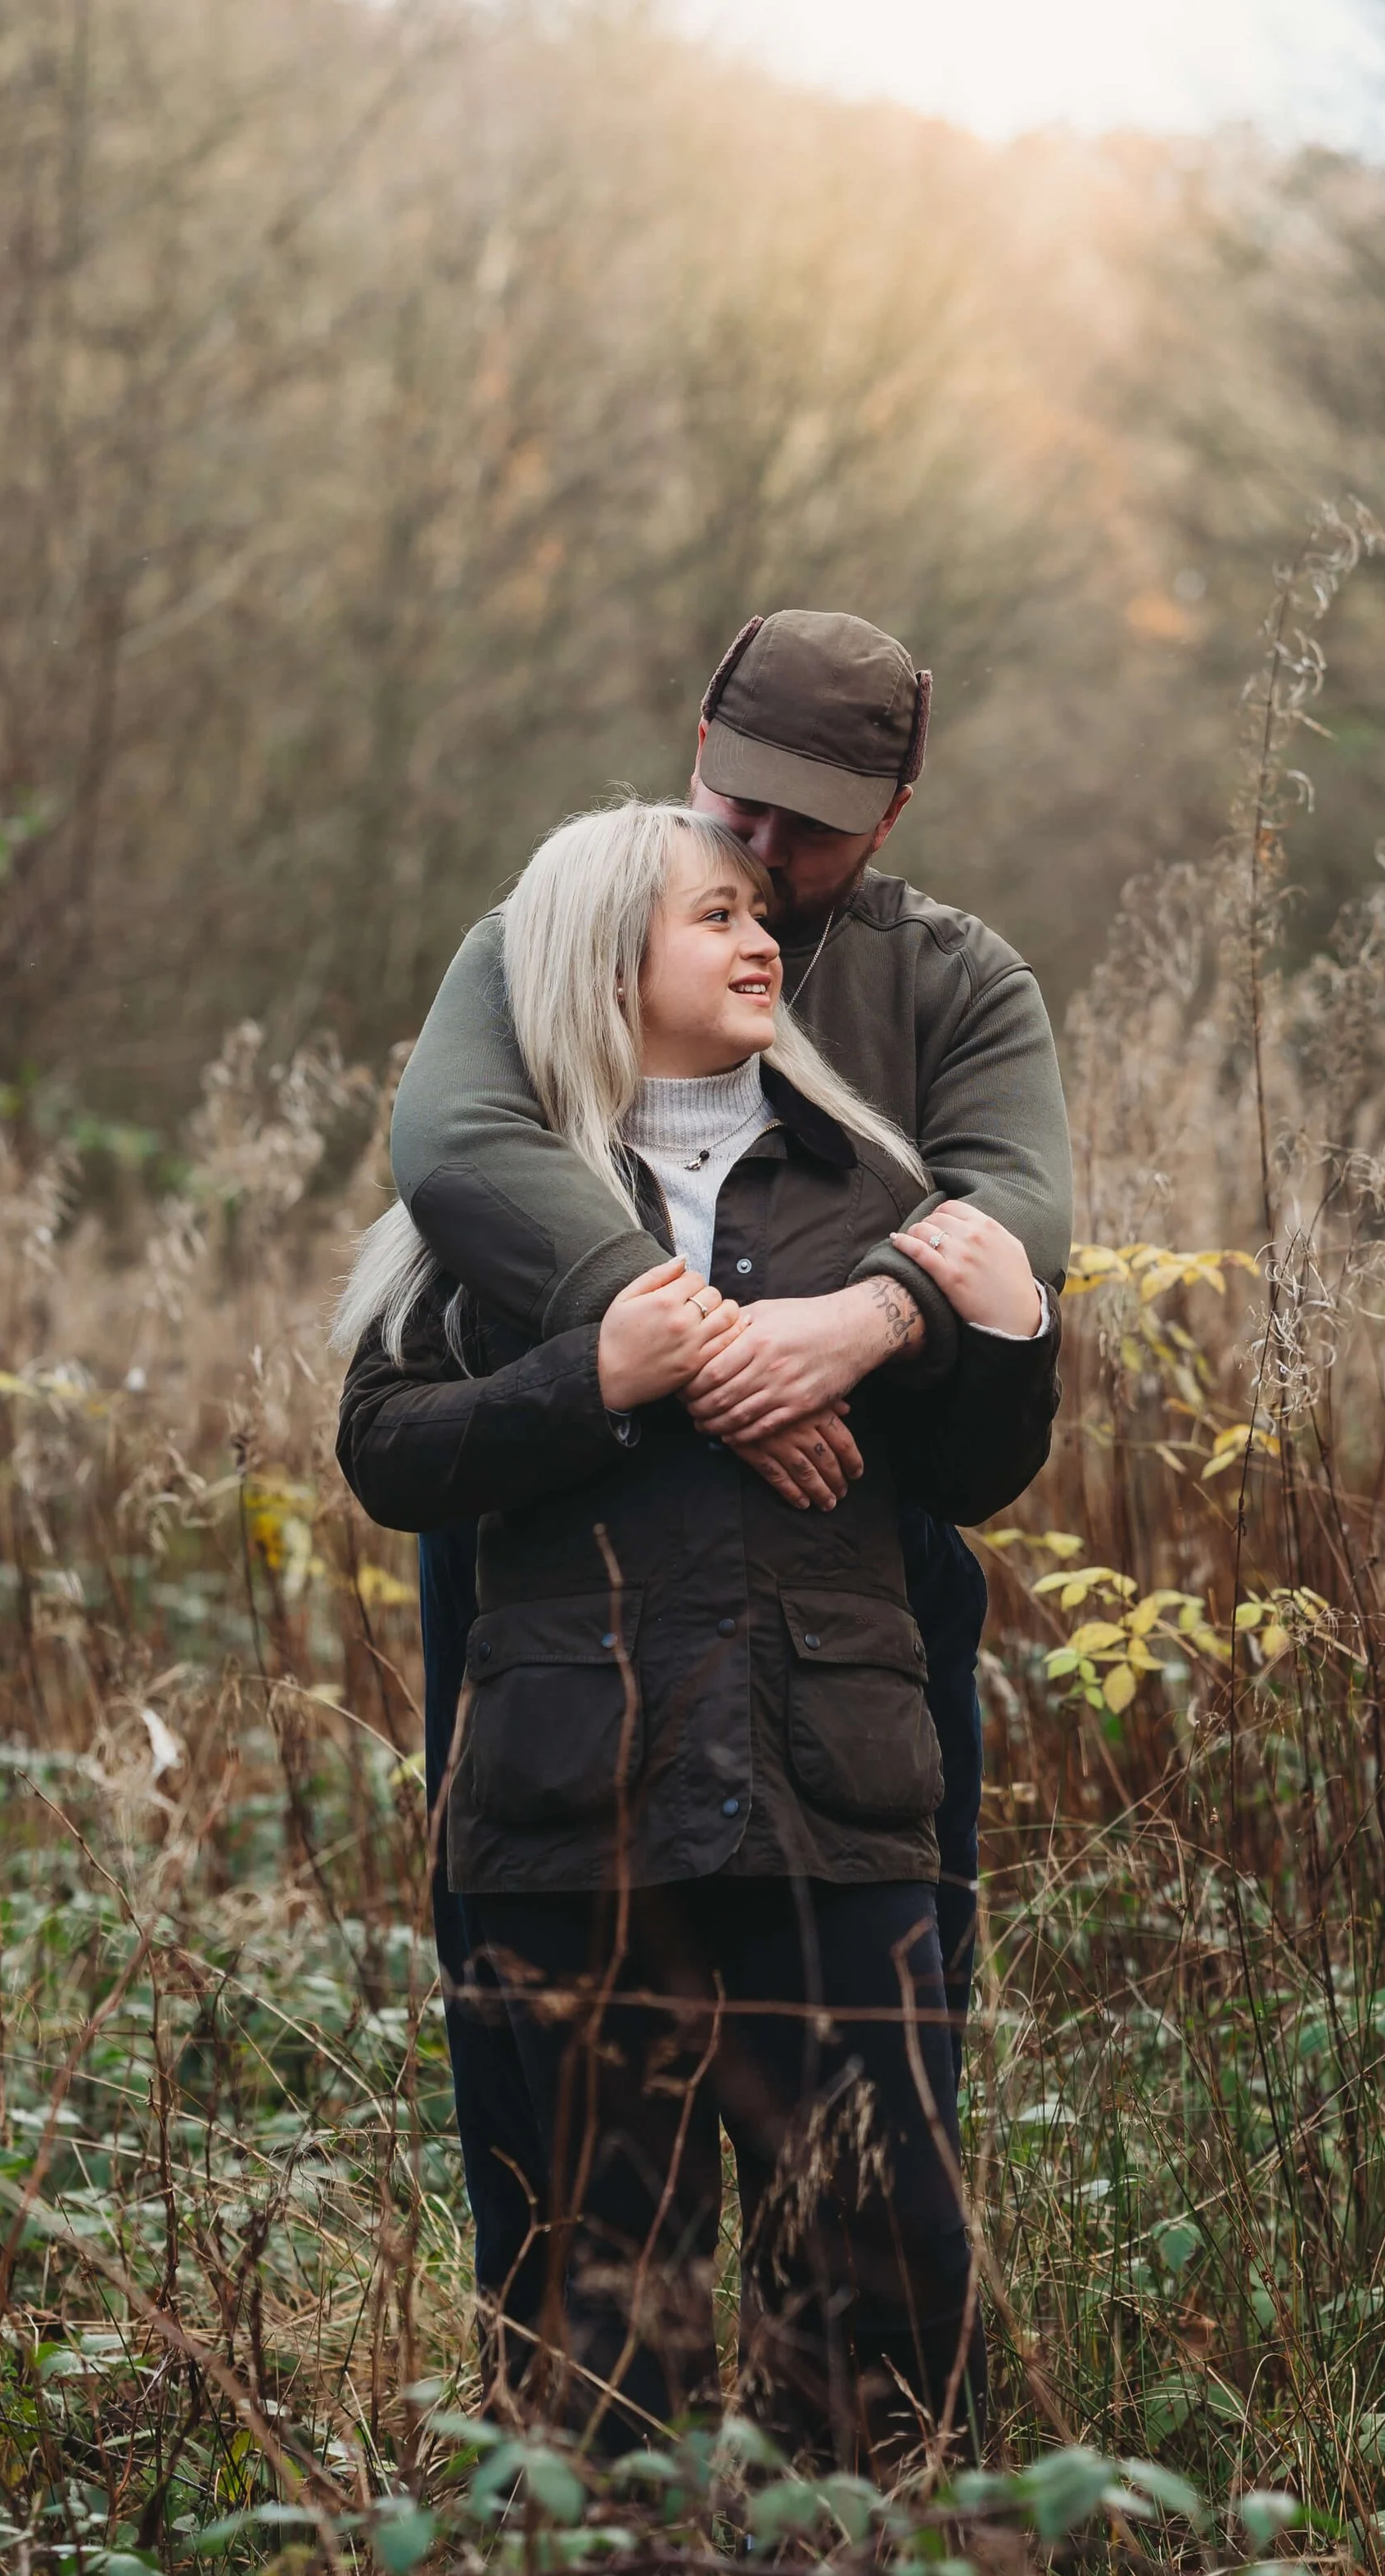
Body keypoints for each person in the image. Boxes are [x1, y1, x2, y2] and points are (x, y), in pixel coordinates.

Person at [390, 613, 1073, 2376]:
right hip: (553, 1578)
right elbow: (458, 1148)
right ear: (694, 742)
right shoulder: (561, 920)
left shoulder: (953, 982)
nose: (761, 862)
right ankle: (584, 2478)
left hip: (851, 1566)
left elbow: (1017, 1227)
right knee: (547, 2121)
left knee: (867, 2083)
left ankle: (839, 2493)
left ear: (898, 806)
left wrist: (853, 1327)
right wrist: (707, 1366)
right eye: (735, 814)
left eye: (809, 835)